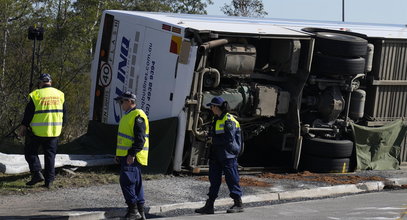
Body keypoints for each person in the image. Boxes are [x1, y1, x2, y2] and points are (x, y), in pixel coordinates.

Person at [195, 96, 244, 214]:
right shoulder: (216, 119)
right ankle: (209, 205)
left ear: (217, 107)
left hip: (228, 155)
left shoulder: (229, 120)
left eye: (212, 106)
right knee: (214, 179)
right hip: (217, 154)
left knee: (232, 179)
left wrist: (213, 140)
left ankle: (238, 203)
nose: (211, 109)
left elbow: (229, 139)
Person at [18, 73, 65, 189]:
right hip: (54, 131)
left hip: (37, 132)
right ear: (50, 82)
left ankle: (37, 173)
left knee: (30, 152)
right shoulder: (60, 94)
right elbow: (65, 114)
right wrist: (60, 126)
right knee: (50, 156)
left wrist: (24, 126)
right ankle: (49, 181)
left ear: (40, 83)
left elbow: (29, 113)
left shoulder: (36, 95)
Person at [114, 91, 149, 220]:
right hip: (126, 155)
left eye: (122, 101)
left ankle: (133, 211)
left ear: (130, 101)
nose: (121, 104)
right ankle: (139, 212)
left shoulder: (137, 115)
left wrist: (132, 154)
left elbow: (140, 139)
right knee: (136, 183)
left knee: (127, 182)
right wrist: (118, 154)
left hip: (131, 157)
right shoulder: (128, 115)